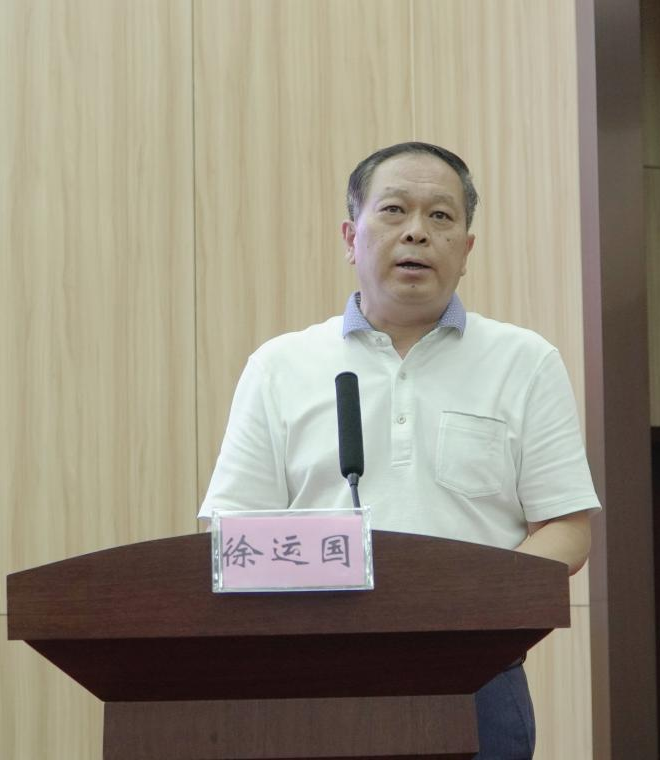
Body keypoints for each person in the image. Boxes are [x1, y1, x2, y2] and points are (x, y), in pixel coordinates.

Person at [198, 142, 600, 759]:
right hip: (313, 672)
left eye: (440, 216)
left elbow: (567, 529)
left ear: (466, 249)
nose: (416, 231)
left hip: (476, 674)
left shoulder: (525, 361)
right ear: (350, 237)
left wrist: (468, 601)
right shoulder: (280, 365)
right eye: (393, 210)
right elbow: (231, 530)